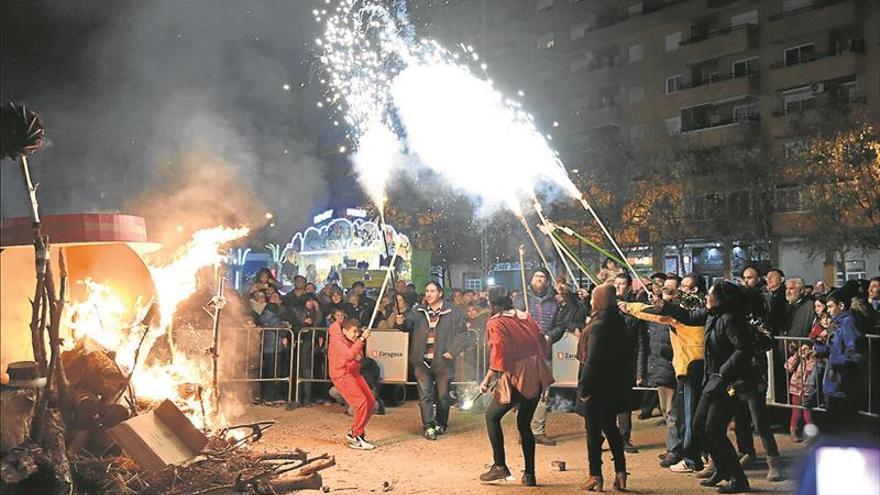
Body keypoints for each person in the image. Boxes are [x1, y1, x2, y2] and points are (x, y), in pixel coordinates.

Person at [661, 281, 753, 494]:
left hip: (726, 383)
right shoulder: (713, 314)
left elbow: (742, 350)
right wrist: (666, 304)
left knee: (714, 430)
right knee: (699, 425)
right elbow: (689, 317)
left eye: (710, 294)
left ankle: (737, 478)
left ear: (720, 298)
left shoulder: (730, 319)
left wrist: (723, 373)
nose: (706, 297)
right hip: (711, 380)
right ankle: (721, 469)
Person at [619, 279, 706, 474]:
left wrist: (625, 306)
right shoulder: (695, 311)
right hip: (689, 367)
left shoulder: (684, 314)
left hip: (689, 369)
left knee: (689, 417)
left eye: (682, 288)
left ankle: (692, 458)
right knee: (689, 416)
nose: (678, 291)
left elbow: (653, 313)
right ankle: (697, 455)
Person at [478, 289, 554, 486]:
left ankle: (500, 466)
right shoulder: (525, 316)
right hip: (536, 372)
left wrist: (486, 380)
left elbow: (499, 356)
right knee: (524, 424)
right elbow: (542, 343)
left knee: (491, 417)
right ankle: (529, 474)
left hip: (518, 375)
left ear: (492, 304)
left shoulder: (495, 322)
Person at [395, 281, 469, 440]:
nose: (429, 294)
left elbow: (463, 334)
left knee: (443, 396)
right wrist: (400, 322)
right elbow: (407, 325)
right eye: (427, 291)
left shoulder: (453, 312)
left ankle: (441, 422)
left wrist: (452, 351)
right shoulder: (418, 311)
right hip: (422, 361)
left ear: (440, 293)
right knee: (425, 395)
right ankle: (428, 425)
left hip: (443, 361)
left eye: (432, 291)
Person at [579, 284, 629, 492]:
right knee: (611, 428)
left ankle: (595, 475)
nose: (591, 301)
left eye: (593, 297)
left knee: (593, 432)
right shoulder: (617, 321)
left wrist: (584, 388)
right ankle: (621, 472)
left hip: (597, 386)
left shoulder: (599, 326)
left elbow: (592, 360)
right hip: (613, 384)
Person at [513, 268, 560, 446]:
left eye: (543, 277)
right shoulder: (520, 299)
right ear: (531, 279)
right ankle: (523, 430)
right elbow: (513, 322)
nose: (539, 279)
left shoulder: (554, 302)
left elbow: (560, 325)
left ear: (547, 281)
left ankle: (538, 431)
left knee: (544, 392)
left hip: (544, 352)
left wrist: (550, 336)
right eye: (537, 276)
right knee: (524, 390)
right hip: (524, 353)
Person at [813, 289, 867, 435]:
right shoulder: (838, 323)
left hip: (843, 384)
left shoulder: (849, 324)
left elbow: (854, 352)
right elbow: (834, 348)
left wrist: (838, 365)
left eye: (830, 306)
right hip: (835, 383)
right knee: (834, 426)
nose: (828, 310)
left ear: (841, 305)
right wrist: (818, 350)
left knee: (842, 428)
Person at [328, 318, 377, 450]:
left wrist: (359, 346)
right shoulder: (337, 340)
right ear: (344, 331)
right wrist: (361, 340)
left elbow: (358, 355)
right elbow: (350, 355)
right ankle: (356, 435)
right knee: (360, 402)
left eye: (358, 332)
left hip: (354, 373)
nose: (356, 334)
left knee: (370, 401)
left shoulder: (349, 339)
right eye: (354, 332)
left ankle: (356, 431)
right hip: (342, 375)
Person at [612, 272, 647, 454]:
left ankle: (624, 438)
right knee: (606, 402)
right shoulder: (606, 306)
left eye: (622, 284)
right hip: (608, 361)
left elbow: (641, 342)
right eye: (615, 283)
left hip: (627, 362)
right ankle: (608, 437)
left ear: (629, 286)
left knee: (624, 403)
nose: (618, 287)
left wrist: (640, 371)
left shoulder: (635, 308)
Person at [785, 342, 816, 442]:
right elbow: (788, 367)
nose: (803, 352)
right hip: (796, 389)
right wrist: (796, 355)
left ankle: (810, 435)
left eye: (805, 349)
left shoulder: (813, 360)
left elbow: (811, 369)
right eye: (801, 350)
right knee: (796, 412)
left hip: (807, 390)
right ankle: (793, 432)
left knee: (807, 413)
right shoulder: (798, 359)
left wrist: (809, 357)